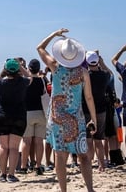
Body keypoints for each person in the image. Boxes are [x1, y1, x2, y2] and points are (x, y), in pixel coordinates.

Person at [36, 29, 97, 192]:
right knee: (83, 155)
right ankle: (90, 189)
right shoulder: (83, 72)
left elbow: (40, 48)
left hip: (57, 117)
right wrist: (94, 119)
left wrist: (54, 34)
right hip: (77, 117)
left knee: (60, 156)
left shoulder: (55, 67)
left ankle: (64, 190)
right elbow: (89, 97)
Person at [0, 57, 31, 183]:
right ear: (17, 71)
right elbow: (30, 76)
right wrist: (20, 65)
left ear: (6, 70)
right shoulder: (22, 82)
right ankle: (11, 174)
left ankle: (2, 174)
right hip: (18, 116)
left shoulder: (1, 83)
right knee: (14, 148)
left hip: (2, 116)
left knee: (3, 147)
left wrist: (2, 71)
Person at [20, 60, 47, 175]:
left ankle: (24, 166)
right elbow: (44, 93)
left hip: (28, 112)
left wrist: (20, 65)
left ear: (29, 68)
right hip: (40, 112)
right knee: (39, 142)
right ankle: (38, 165)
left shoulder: (26, 81)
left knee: (26, 141)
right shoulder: (42, 80)